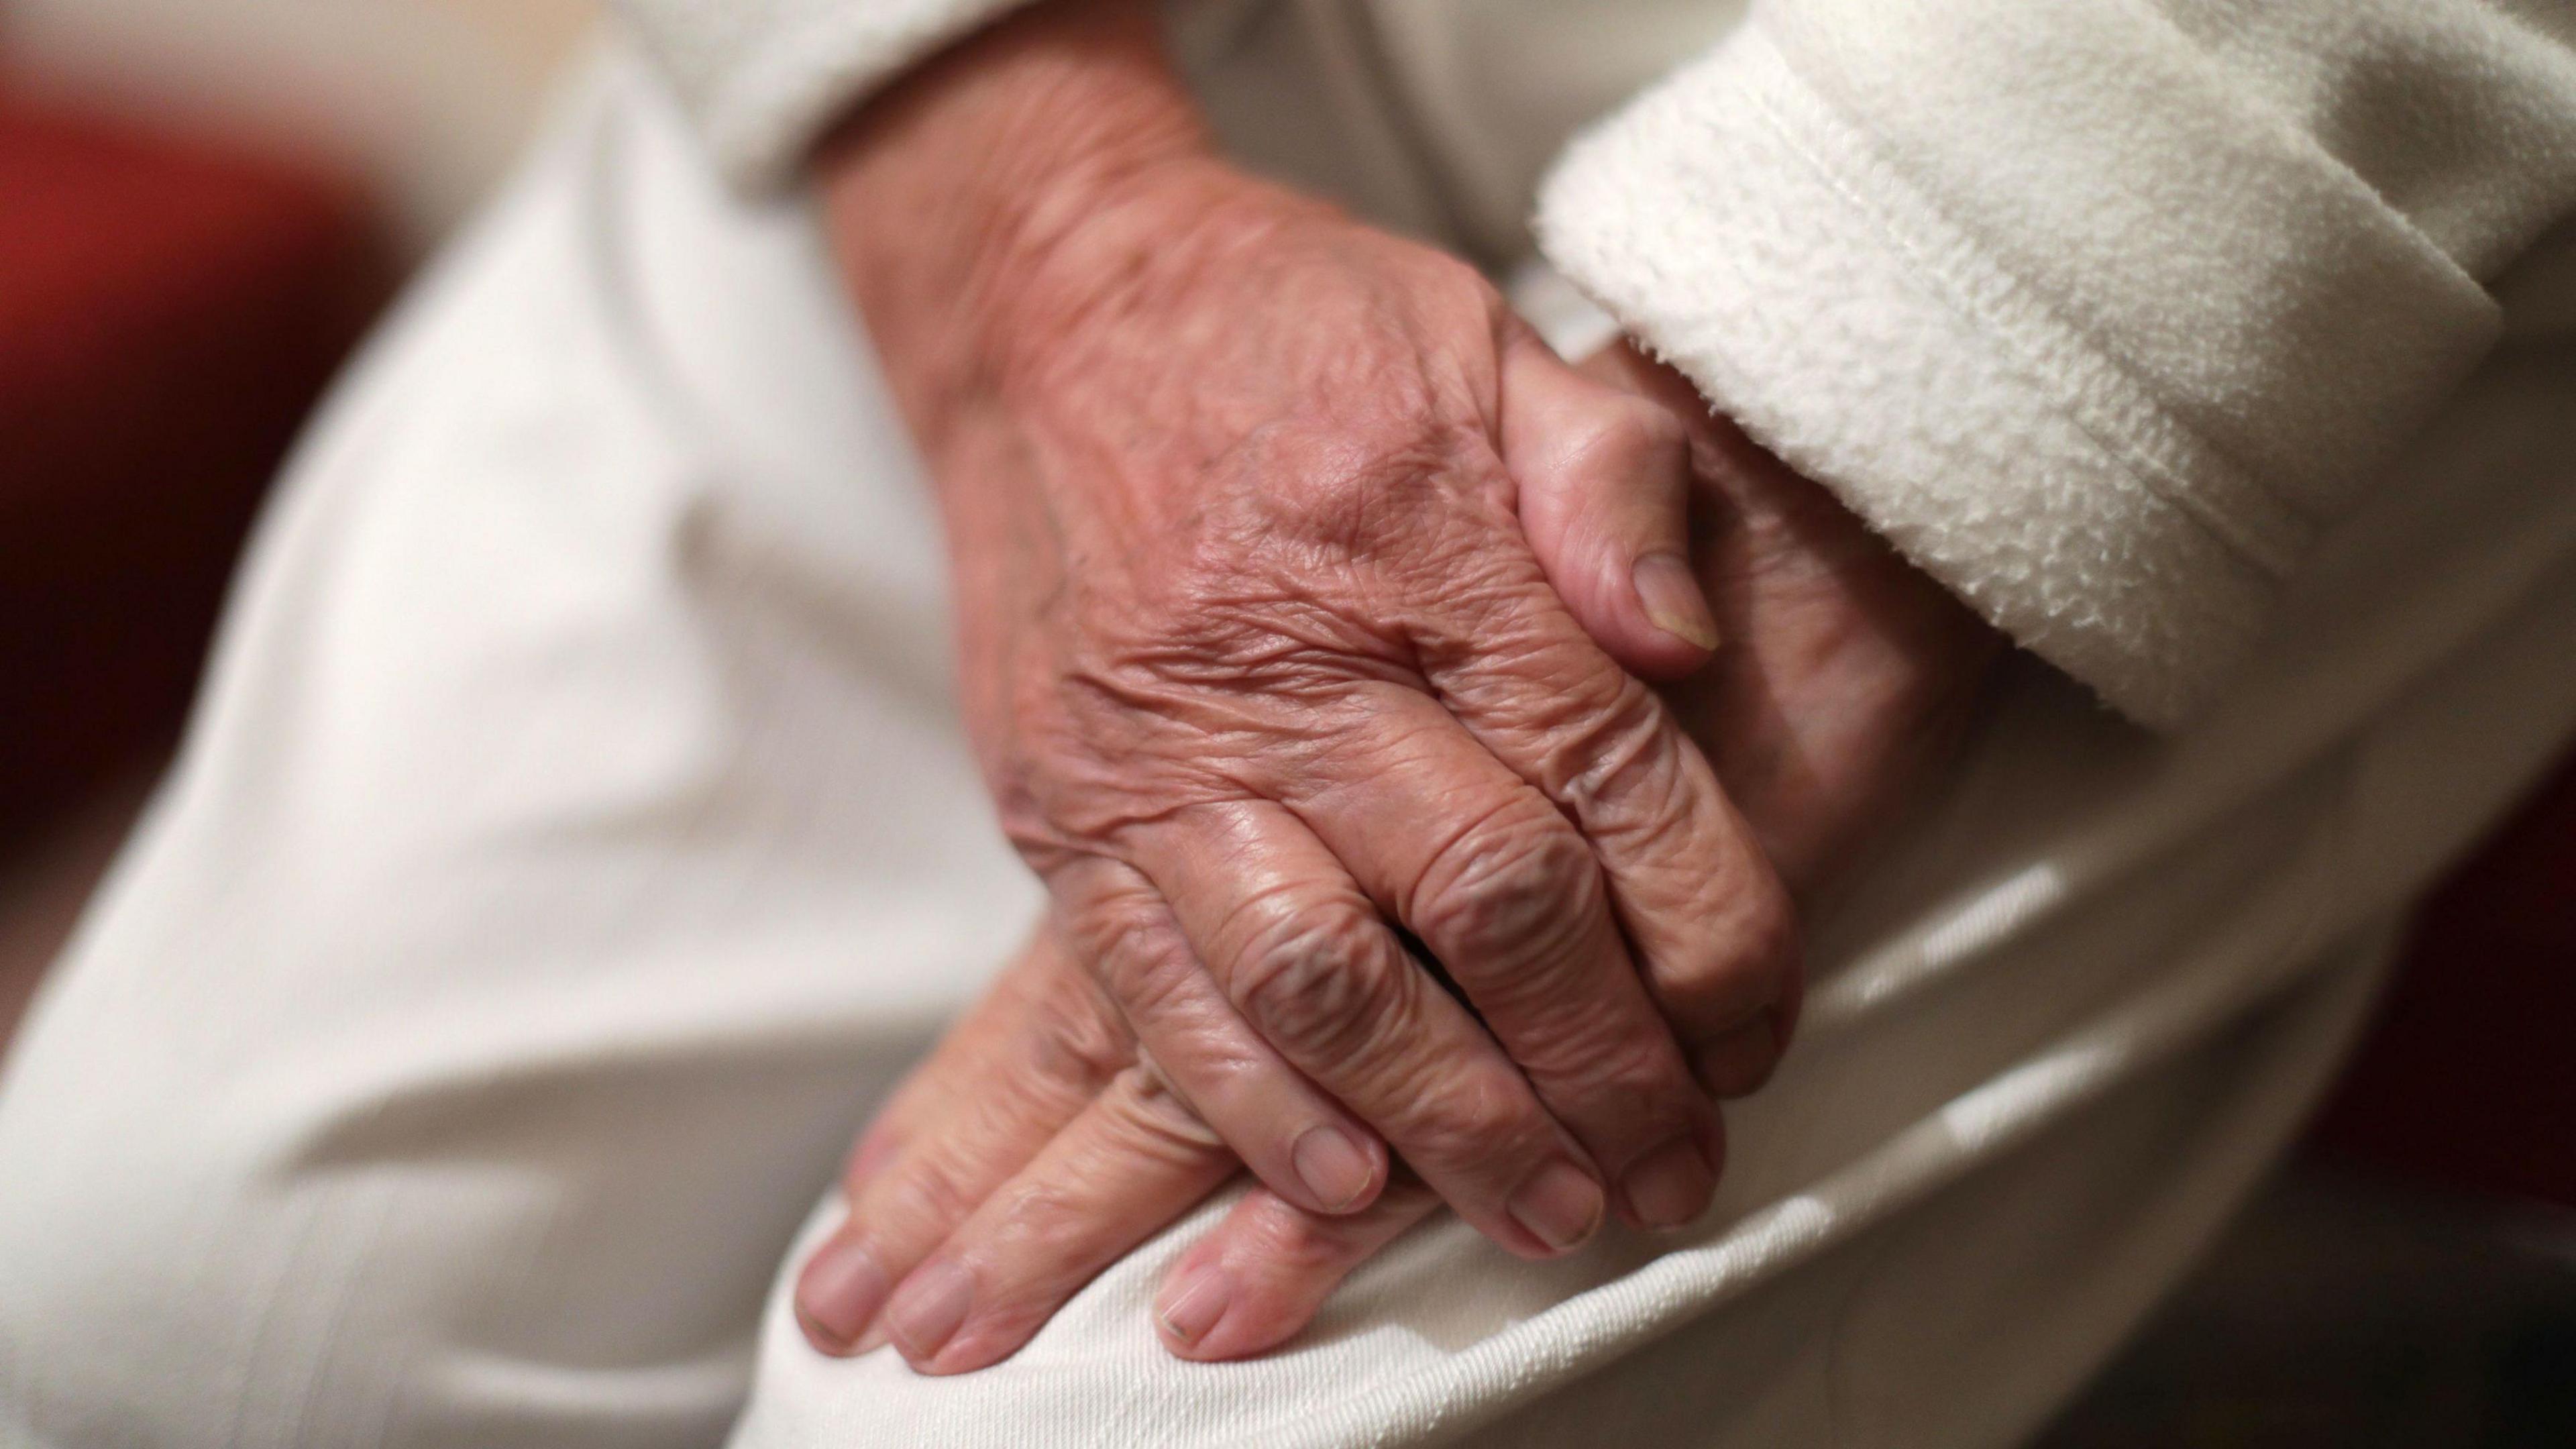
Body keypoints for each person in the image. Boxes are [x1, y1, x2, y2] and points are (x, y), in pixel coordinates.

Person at [2, 1, 2573, 1445]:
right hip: (997, 68)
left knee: (1082, 1437)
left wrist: (1929, 389)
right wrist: (1023, 219)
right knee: (180, 1329)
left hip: (2126, 114)